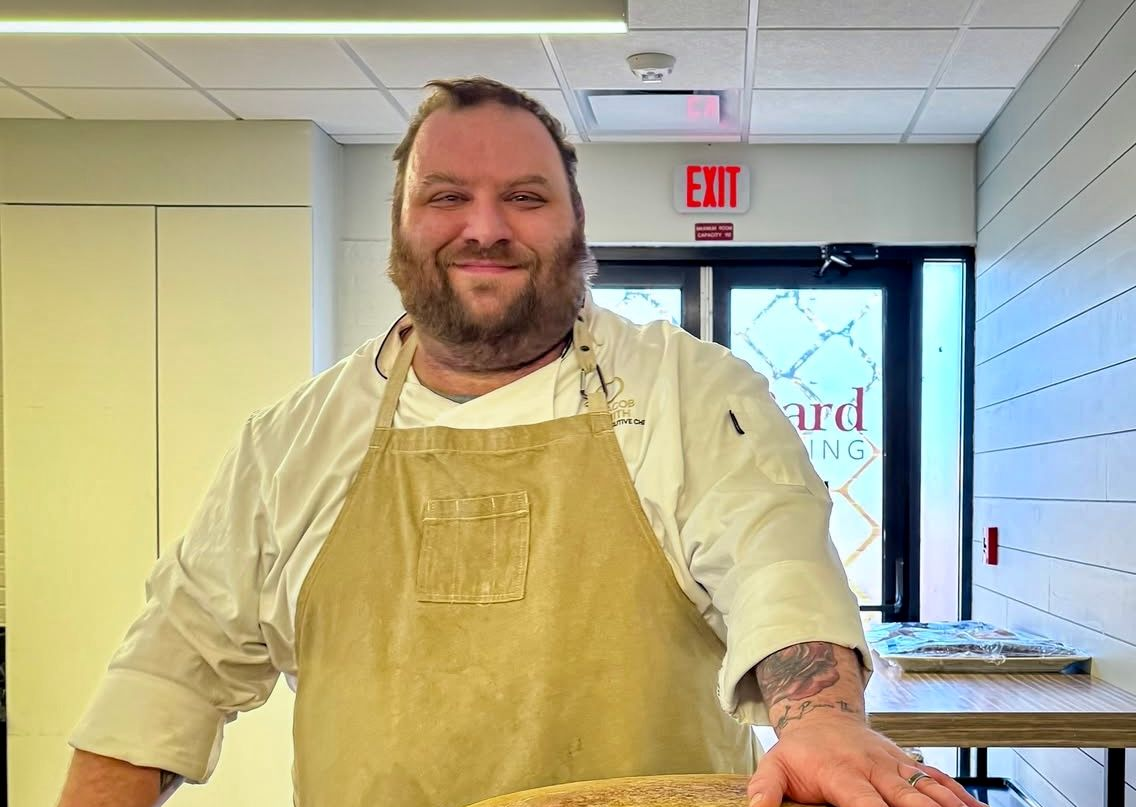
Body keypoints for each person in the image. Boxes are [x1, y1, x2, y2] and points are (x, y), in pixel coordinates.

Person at [57, 77, 982, 807]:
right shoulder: (292, 441)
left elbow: (776, 558)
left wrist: (817, 719)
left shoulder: (691, 393)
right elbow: (170, 666)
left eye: (526, 196)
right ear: (401, 228)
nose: (486, 226)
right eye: (447, 195)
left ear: (577, 226)